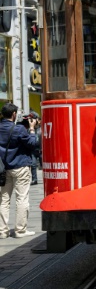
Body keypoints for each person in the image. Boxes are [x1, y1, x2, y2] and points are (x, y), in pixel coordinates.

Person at [0, 102, 41, 238]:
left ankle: (2, 231)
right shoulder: (19, 129)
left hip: (4, 169)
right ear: (14, 114)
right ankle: (20, 230)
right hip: (20, 167)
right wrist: (31, 128)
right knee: (21, 198)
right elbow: (32, 144)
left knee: (4, 200)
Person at [19, 111, 42, 185]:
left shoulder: (42, 128)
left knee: (44, 165)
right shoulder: (28, 129)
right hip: (33, 150)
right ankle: (34, 179)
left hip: (41, 150)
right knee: (33, 165)